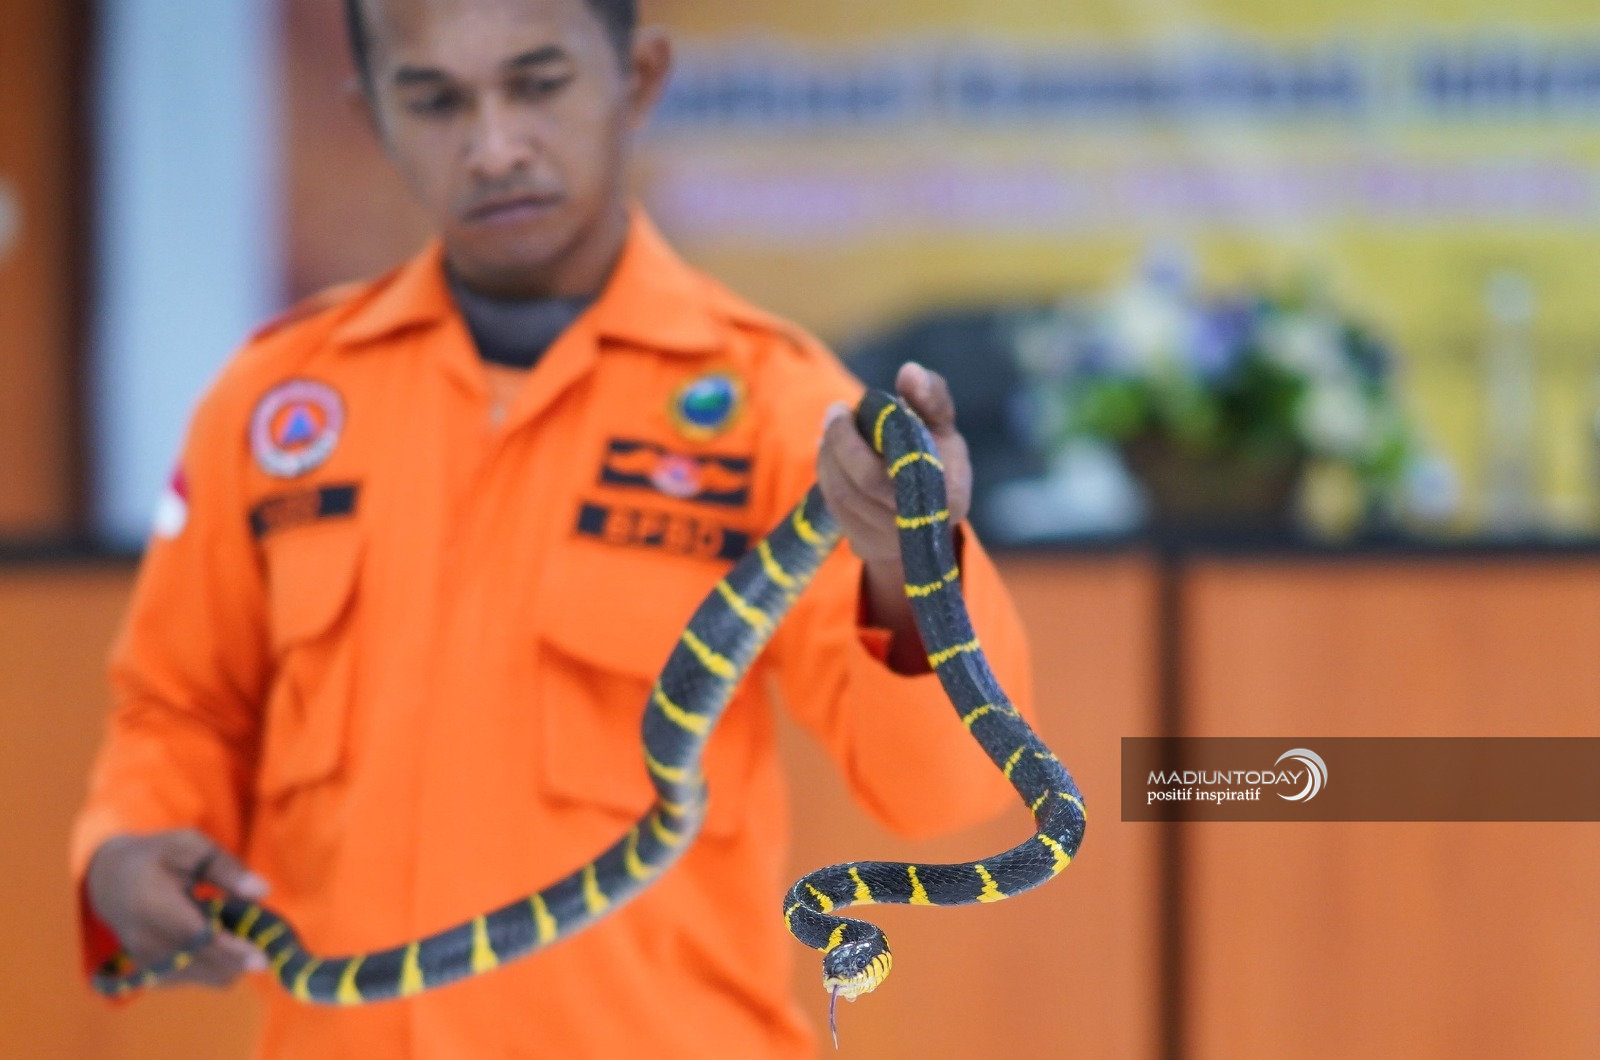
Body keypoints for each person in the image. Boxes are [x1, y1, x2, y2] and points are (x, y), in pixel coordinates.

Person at [72, 0, 1036, 1055]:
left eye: (538, 84)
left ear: (640, 78)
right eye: (434, 100)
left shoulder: (784, 407)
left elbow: (946, 795)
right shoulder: (275, 399)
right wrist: (125, 845)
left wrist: (906, 562)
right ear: (371, 114)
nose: (493, 146)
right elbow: (179, 705)